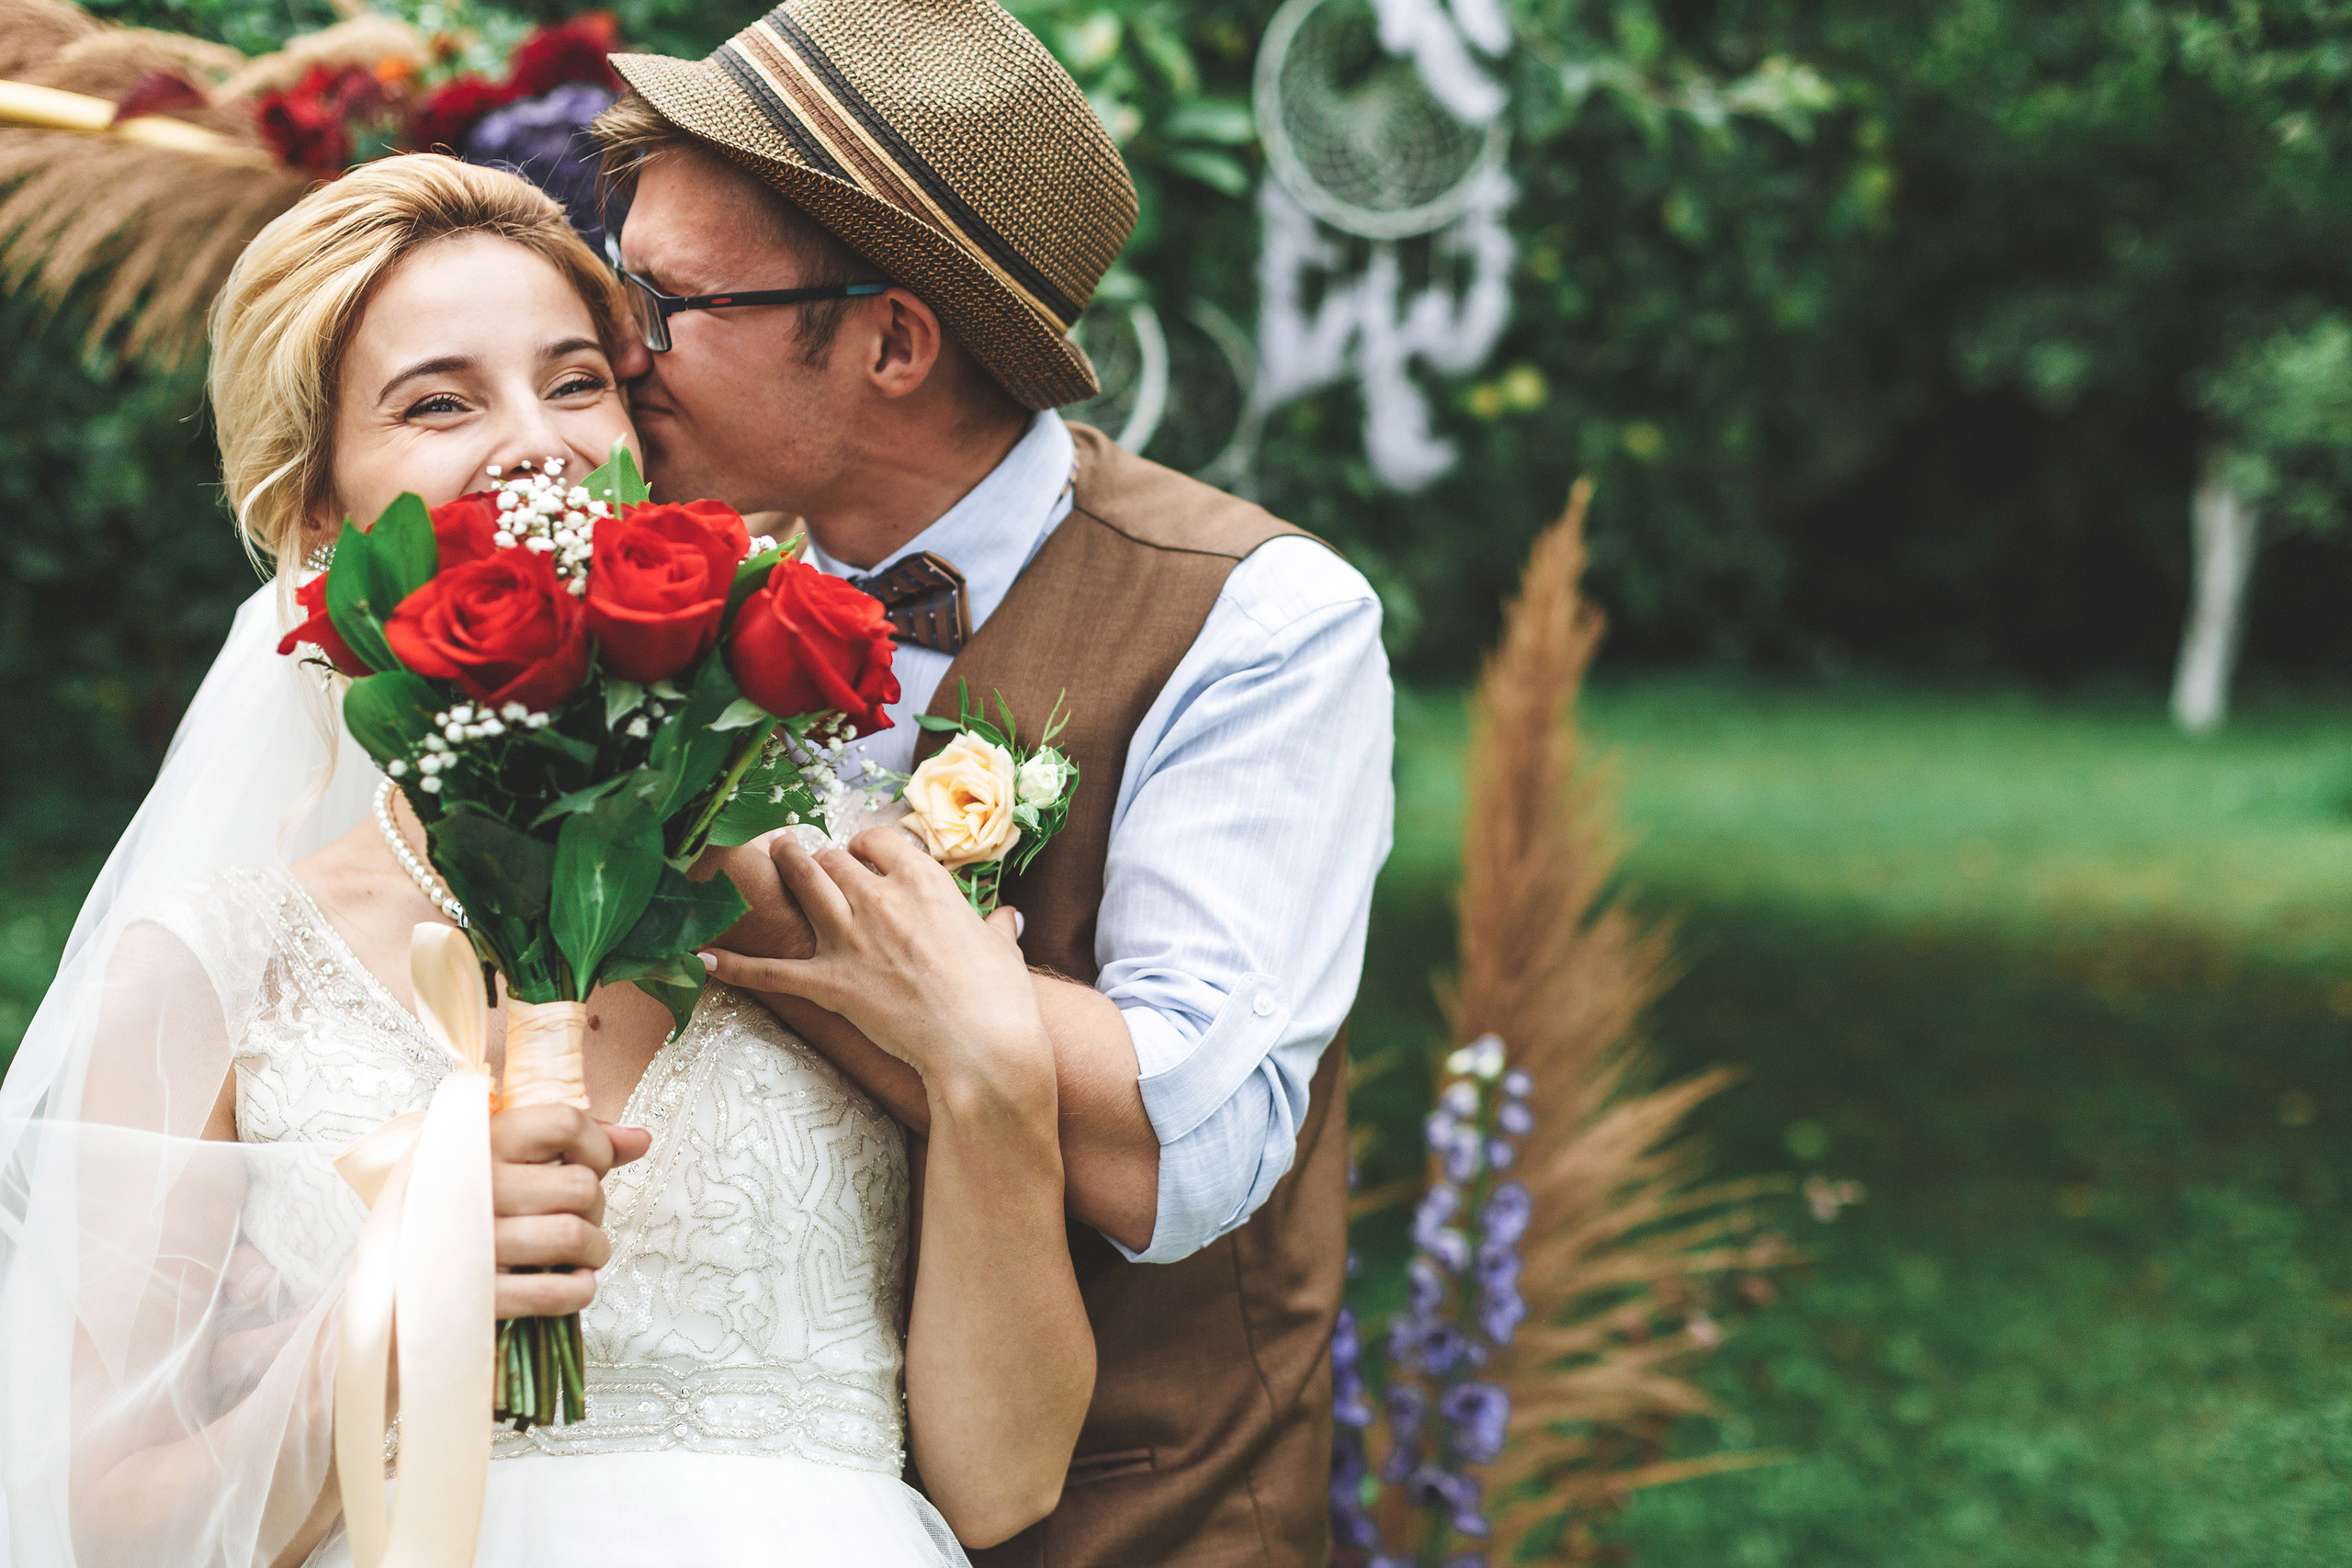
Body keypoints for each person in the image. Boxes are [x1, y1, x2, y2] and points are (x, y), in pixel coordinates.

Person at [0, 153, 1096, 1566]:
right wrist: (401, 1309)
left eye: (578, 382)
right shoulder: (215, 963)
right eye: (438, 402)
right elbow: (101, 1529)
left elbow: (1004, 1480)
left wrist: (994, 1078)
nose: (538, 442)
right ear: (321, 515)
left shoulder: (849, 901)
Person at [594, 2, 1395, 1562]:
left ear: (894, 340)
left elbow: (1188, 1144)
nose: (631, 351)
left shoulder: (1261, 618)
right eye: (629, 283)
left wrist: (730, 875)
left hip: (1124, 1521)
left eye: (679, 302)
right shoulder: (657, 577)